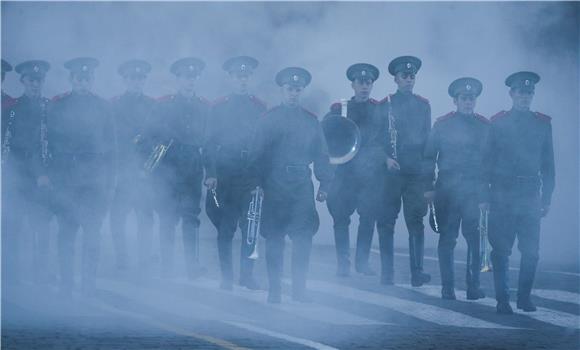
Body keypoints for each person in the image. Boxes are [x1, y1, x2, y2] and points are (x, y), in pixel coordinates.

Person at [247, 67, 333, 303]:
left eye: (297, 89)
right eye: (289, 89)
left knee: (303, 239)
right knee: (275, 240)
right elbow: (256, 154)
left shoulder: (311, 121)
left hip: (301, 186)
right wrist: (257, 183)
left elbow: (321, 154)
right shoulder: (269, 119)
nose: (293, 93)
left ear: (302, 91)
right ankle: (275, 290)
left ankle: (299, 290)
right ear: (282, 90)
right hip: (274, 186)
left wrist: (324, 184)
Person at [481, 71, 555, 314]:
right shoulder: (498, 122)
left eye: (529, 93)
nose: (525, 97)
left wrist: (547, 198)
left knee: (531, 252)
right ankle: (503, 300)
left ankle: (524, 298)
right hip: (502, 193)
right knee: (501, 250)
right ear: (512, 94)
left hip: (530, 194)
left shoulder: (542, 124)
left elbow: (548, 164)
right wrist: (484, 195)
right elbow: (486, 161)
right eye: (521, 93)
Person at [48, 57, 116, 296]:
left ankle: (89, 283)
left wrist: (110, 181)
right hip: (66, 178)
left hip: (95, 179)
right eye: (79, 78)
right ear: (71, 79)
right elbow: (50, 145)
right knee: (66, 232)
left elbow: (111, 148)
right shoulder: (58, 106)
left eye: (87, 78)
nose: (83, 82)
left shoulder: (103, 107)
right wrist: (53, 178)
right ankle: (67, 282)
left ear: (92, 80)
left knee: (92, 233)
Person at [149, 57, 215, 279]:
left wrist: (211, 172)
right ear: (177, 79)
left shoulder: (205, 107)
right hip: (168, 166)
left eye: (194, 77)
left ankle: (191, 265)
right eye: (186, 77)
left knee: (191, 216)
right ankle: (167, 265)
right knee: (167, 216)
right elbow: (153, 136)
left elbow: (209, 143)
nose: (190, 81)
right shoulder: (164, 105)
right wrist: (149, 169)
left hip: (192, 166)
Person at [424, 77, 488, 300]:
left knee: (474, 240)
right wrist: (429, 188)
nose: (468, 102)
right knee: (448, 239)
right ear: (455, 100)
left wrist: (485, 194)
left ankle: (473, 287)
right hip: (448, 191)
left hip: (474, 191)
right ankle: (447, 288)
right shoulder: (442, 125)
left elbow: (489, 162)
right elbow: (429, 158)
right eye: (464, 98)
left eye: (472, 98)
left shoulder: (484, 126)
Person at [206, 56, 267, 290]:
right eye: (238, 76)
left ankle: (247, 275)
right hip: (226, 172)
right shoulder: (218, 107)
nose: (243, 80)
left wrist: (262, 179)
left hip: (250, 173)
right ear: (230, 78)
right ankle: (226, 277)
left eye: (247, 76)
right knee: (225, 227)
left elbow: (264, 146)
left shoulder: (260, 108)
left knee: (251, 227)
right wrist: (211, 173)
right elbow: (209, 143)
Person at [324, 63, 388, 277]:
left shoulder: (380, 109)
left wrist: (380, 158)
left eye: (368, 82)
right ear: (352, 84)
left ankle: (362, 262)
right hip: (344, 172)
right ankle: (343, 262)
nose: (364, 86)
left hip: (370, 173)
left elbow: (384, 141)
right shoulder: (338, 109)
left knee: (368, 217)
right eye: (360, 82)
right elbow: (325, 137)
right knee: (341, 218)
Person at [377, 56, 432, 286]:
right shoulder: (384, 105)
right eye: (404, 76)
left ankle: (417, 272)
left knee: (416, 222)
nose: (409, 80)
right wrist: (385, 158)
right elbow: (374, 139)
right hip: (391, 172)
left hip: (415, 173)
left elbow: (428, 142)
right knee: (386, 222)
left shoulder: (423, 105)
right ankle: (387, 274)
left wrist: (429, 178)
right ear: (396, 79)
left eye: (412, 76)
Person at [2, 60, 53, 285]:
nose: (35, 84)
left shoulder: (51, 107)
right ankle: (9, 277)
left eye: (39, 80)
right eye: (31, 80)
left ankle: (41, 276)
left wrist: (47, 174)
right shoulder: (10, 108)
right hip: (17, 176)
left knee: (41, 228)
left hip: (43, 179)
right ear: (22, 81)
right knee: (12, 228)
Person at [109, 59, 157, 271]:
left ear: (144, 80)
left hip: (146, 173)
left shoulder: (153, 106)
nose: (136, 81)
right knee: (117, 217)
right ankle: (121, 258)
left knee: (145, 218)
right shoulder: (114, 105)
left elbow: (160, 141)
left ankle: (144, 260)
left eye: (140, 78)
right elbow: (109, 139)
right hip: (122, 170)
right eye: (132, 78)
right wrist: (117, 170)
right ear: (124, 80)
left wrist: (147, 169)